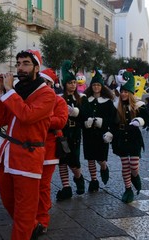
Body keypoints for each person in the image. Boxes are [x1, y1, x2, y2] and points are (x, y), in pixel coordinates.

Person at [0, 50, 56, 240]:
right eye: (18, 63)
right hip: (8, 156)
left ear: (36, 67)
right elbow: (1, 119)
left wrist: (9, 91)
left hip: (28, 157)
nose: (20, 68)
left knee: (24, 212)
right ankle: (32, 227)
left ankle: (27, 229)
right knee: (9, 203)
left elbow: (26, 115)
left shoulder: (47, 94)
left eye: (26, 63)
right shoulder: (16, 91)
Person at [32, 68, 68, 237]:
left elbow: (60, 121)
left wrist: (40, 118)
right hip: (31, 148)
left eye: (47, 82)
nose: (43, 85)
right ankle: (31, 217)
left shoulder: (58, 101)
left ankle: (43, 220)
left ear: (51, 85)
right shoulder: (32, 97)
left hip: (49, 150)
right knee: (32, 186)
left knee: (43, 186)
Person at [112, 71, 149, 203]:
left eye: (126, 91)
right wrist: (111, 133)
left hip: (134, 137)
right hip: (121, 137)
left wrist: (140, 120)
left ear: (130, 93)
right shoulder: (116, 106)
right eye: (122, 91)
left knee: (133, 165)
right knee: (125, 165)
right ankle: (128, 189)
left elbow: (147, 117)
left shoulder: (138, 105)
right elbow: (112, 122)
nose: (123, 94)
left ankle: (136, 176)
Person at [56, 60, 90, 201]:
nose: (73, 85)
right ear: (65, 84)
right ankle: (66, 187)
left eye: (74, 83)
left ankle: (79, 177)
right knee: (62, 160)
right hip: (62, 132)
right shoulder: (59, 98)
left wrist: (76, 112)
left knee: (74, 161)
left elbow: (85, 115)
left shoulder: (81, 98)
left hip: (75, 132)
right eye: (70, 83)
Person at [83, 69, 116, 192]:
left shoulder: (108, 102)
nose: (96, 87)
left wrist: (103, 123)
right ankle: (94, 180)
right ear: (91, 86)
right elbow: (82, 115)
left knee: (101, 159)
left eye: (98, 85)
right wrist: (86, 122)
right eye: (94, 85)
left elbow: (112, 119)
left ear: (102, 87)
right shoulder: (86, 100)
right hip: (89, 133)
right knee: (90, 158)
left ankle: (104, 167)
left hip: (102, 135)